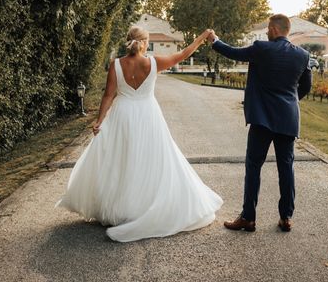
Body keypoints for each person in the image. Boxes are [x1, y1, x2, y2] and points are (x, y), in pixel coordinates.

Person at [56, 26, 222, 242]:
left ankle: (122, 208)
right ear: (144, 43)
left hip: (122, 115)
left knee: (120, 159)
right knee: (150, 160)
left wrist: (99, 121)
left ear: (128, 41)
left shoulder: (116, 64)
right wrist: (202, 37)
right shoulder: (153, 63)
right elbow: (183, 54)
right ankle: (142, 206)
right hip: (148, 115)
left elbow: (108, 96)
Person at [207, 14, 312, 232]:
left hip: (262, 119)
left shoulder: (261, 49)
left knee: (254, 166)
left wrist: (214, 40)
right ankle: (286, 217)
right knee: (286, 168)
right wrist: (289, 102)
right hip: (288, 119)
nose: (265, 32)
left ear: (274, 29)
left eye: (267, 29)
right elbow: (305, 87)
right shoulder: (303, 55)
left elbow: (233, 52)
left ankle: (248, 218)